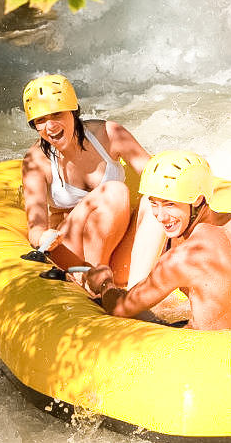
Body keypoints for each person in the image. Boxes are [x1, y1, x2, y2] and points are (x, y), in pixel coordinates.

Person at [85, 151, 231, 330]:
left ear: (197, 201)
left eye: (170, 204)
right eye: (153, 203)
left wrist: (105, 283)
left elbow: (121, 308)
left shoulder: (183, 258)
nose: (159, 216)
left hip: (206, 362)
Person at [21, 74, 164, 286]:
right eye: (40, 120)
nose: (50, 127)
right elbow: (35, 228)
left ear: (73, 111)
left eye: (57, 114)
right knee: (115, 191)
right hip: (72, 251)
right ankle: (97, 285)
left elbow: (160, 179)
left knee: (156, 200)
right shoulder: (36, 161)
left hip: (116, 251)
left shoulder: (110, 134)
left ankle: (134, 293)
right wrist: (42, 238)